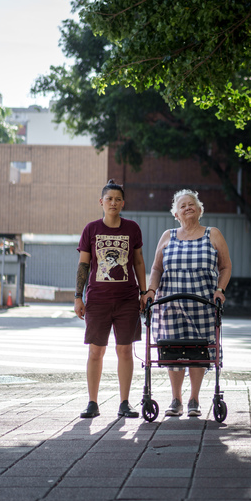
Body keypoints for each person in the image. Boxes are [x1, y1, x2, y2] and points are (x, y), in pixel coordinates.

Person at [145, 189, 231, 417]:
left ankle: (194, 398)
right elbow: (156, 268)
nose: (187, 208)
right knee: (172, 350)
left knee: (199, 350)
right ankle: (176, 399)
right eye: (182, 205)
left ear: (200, 209)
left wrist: (220, 290)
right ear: (176, 214)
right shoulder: (168, 236)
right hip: (170, 303)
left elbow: (225, 267)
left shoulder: (213, 234)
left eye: (191, 204)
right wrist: (151, 290)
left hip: (202, 304)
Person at [74, 179, 149, 419]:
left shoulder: (132, 228)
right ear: (101, 202)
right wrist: (78, 296)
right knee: (96, 352)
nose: (113, 203)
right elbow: (84, 264)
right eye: (109, 199)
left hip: (127, 299)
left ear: (123, 203)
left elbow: (138, 261)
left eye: (118, 199)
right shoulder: (91, 229)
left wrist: (144, 292)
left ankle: (125, 403)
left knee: (125, 350)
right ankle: (92, 403)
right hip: (97, 300)